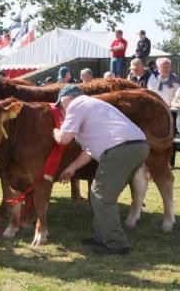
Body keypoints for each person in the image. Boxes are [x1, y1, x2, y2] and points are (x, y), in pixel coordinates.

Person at [53, 85, 149, 255]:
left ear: (66, 100)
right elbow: (89, 150)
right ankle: (102, 236)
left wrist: (55, 131)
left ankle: (116, 243)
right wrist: (72, 168)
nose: (62, 111)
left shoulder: (76, 104)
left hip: (120, 149)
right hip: (138, 147)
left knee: (101, 196)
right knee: (103, 194)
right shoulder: (92, 106)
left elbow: (64, 139)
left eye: (61, 106)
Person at [147, 57, 180, 167]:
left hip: (170, 111)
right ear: (158, 68)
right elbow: (150, 93)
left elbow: (178, 94)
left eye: (167, 66)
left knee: (170, 136)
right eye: (163, 66)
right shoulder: (153, 78)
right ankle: (155, 161)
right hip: (156, 111)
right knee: (155, 136)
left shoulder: (175, 78)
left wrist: (173, 103)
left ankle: (170, 162)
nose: (165, 69)